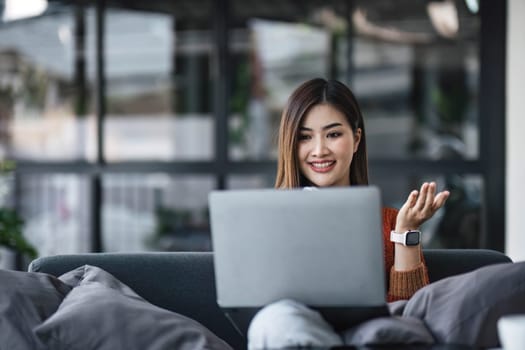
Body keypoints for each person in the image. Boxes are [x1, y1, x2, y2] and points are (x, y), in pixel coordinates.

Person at [247, 78, 525, 349]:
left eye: (333, 134)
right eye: (305, 137)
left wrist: (404, 234)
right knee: (274, 321)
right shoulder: (270, 222)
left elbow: (411, 317)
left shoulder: (388, 222)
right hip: (298, 332)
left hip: (377, 333)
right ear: (290, 145)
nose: (319, 150)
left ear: (356, 140)